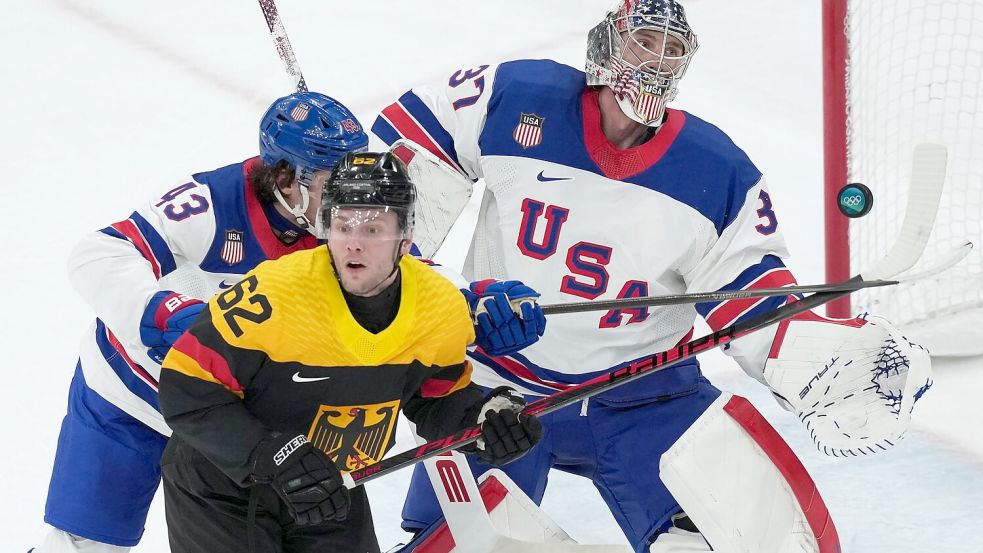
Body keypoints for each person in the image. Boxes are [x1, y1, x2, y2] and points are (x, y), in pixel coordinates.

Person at [371, 1, 933, 551]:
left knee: (739, 543)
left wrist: (825, 362)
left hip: (644, 396)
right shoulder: (516, 96)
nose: (657, 60)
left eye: (672, 49)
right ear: (608, 43)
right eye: (644, 41)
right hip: (495, 391)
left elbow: (751, 297)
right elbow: (407, 158)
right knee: (456, 545)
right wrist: (442, 295)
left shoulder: (716, 170)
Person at [156, 151, 545, 553]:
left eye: (373, 229)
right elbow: (186, 386)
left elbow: (434, 398)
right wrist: (271, 454)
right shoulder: (274, 293)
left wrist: (484, 420)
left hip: (331, 483)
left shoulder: (439, 306)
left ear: (405, 237)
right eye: (342, 226)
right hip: (224, 487)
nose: (354, 244)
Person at [34, 91, 370, 553]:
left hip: (227, 418)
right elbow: (99, 253)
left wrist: (465, 304)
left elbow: (407, 283)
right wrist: (167, 312)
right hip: (132, 395)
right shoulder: (209, 205)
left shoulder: (350, 226)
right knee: (84, 546)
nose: (351, 201)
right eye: (335, 183)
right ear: (286, 178)